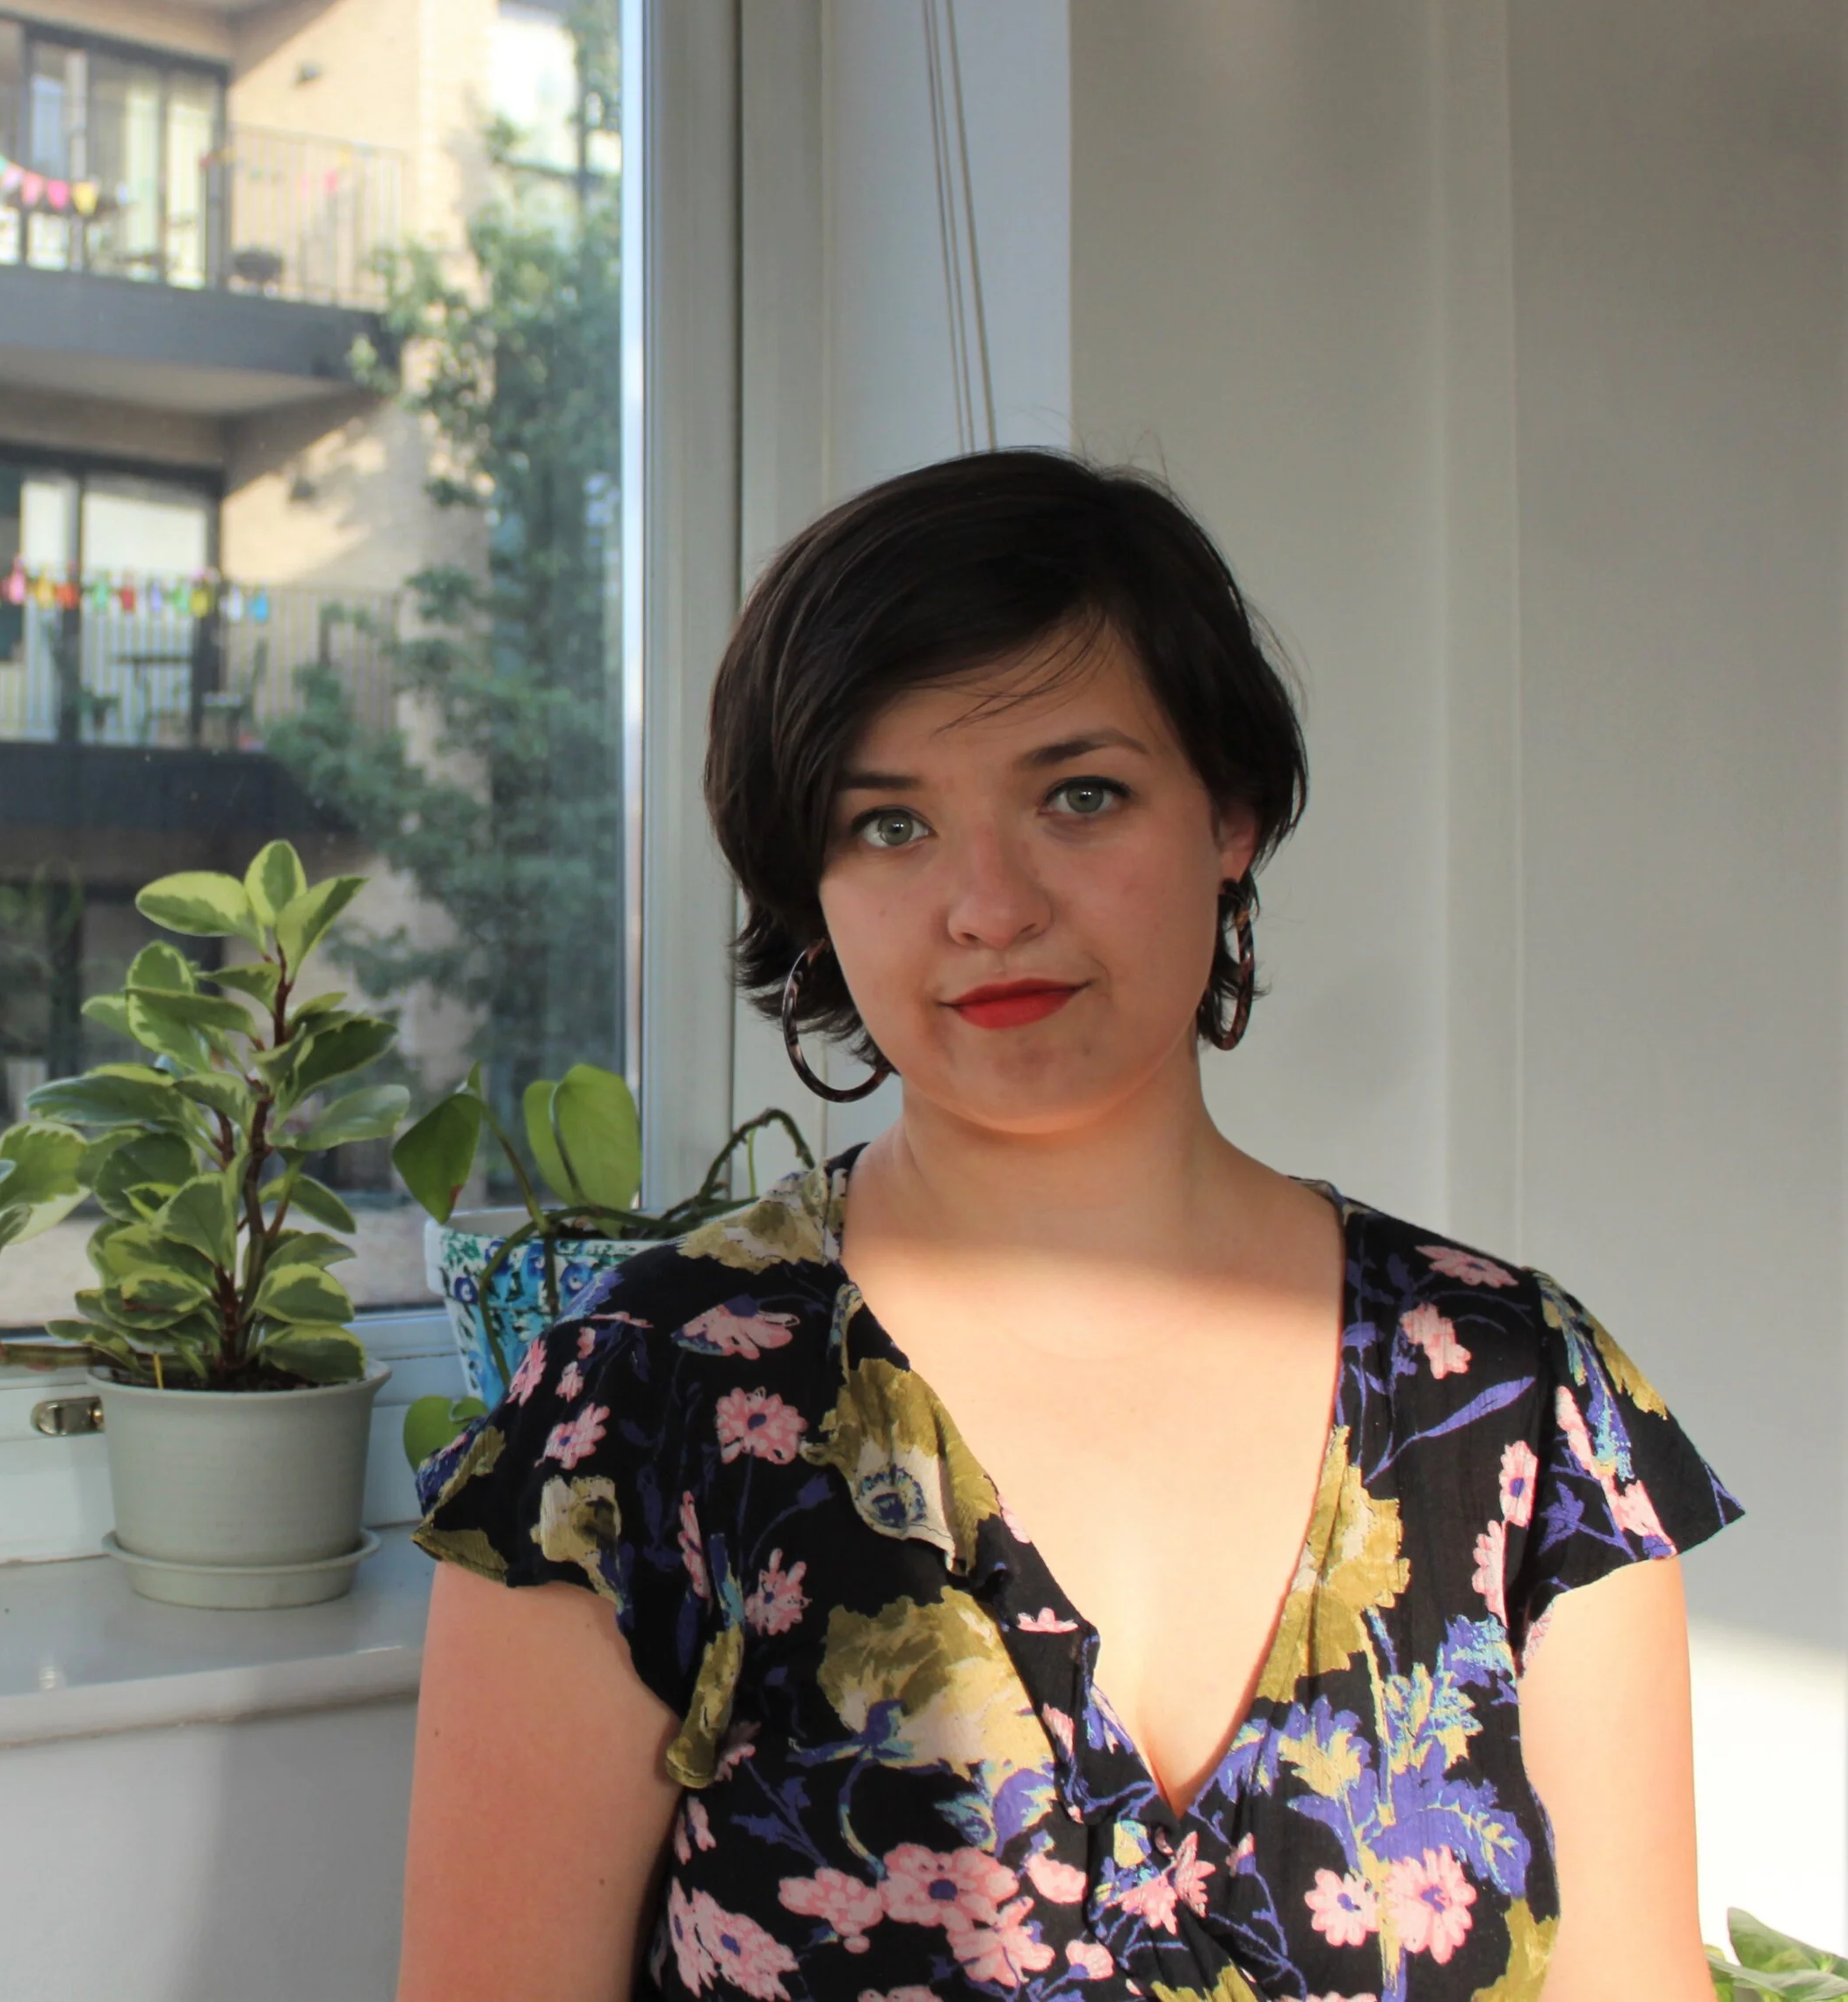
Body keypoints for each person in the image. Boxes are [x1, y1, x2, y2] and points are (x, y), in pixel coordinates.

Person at [397, 452, 1741, 2001]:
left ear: (1230, 814)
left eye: (1079, 795)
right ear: (809, 882)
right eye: (888, 824)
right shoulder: (638, 1406)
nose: (989, 904)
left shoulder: (1519, 1400)